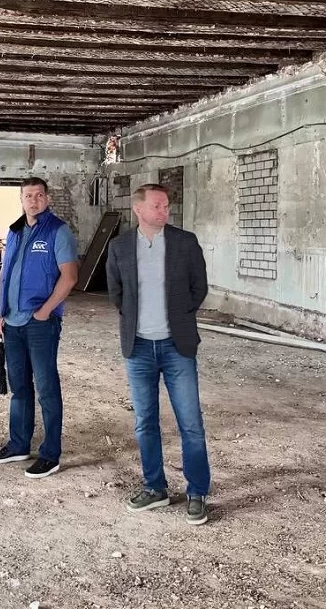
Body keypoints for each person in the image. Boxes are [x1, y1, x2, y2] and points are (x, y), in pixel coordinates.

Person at [106, 183, 211, 525]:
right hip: (138, 348)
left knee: (190, 423)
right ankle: (155, 488)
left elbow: (199, 287)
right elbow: (116, 293)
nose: (165, 211)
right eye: (157, 206)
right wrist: (139, 321)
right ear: (138, 209)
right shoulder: (120, 247)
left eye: (166, 206)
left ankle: (197, 492)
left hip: (177, 346)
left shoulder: (185, 242)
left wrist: (179, 317)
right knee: (145, 422)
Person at [0, 177, 78, 479]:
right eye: (28, 196)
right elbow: (4, 274)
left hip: (40, 324)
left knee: (47, 388)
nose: (34, 200)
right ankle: (19, 445)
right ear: (21, 200)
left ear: (47, 199)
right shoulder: (14, 231)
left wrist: (46, 311)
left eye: (39, 195)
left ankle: (51, 454)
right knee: (20, 387)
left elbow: (70, 277)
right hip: (12, 322)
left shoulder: (58, 231)